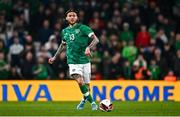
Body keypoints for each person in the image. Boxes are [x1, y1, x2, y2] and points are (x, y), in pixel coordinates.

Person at [48, 9, 99, 110]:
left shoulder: (83, 28)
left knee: (87, 85)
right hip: (73, 61)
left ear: (77, 18)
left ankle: (83, 100)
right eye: (70, 15)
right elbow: (62, 45)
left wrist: (88, 47)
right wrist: (54, 56)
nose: (72, 17)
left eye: (74, 15)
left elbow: (96, 39)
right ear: (66, 18)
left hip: (85, 61)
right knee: (80, 81)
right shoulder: (65, 31)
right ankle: (93, 103)